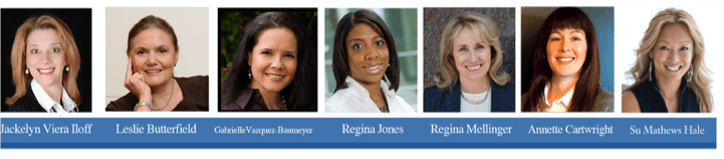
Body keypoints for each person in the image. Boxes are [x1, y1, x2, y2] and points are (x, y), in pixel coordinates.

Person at [106, 15, 208, 111]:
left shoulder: (206, 88)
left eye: (162, 51)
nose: (152, 61)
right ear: (129, 56)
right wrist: (144, 99)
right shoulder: (115, 110)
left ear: (176, 55)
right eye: (141, 52)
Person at [220, 12, 316, 111]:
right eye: (267, 53)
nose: (277, 65)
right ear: (249, 57)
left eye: (288, 55)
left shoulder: (302, 105)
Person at [522, 7, 613, 112]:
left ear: (589, 49)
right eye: (556, 38)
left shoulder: (609, 106)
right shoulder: (521, 103)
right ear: (545, 47)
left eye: (575, 38)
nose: (565, 47)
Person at [622, 8, 711, 113]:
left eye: (683, 48)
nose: (674, 58)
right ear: (651, 50)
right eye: (664, 47)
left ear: (693, 54)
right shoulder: (628, 102)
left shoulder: (701, 100)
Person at [326, 9, 414, 113]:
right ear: (343, 55)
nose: (372, 54)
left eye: (378, 43)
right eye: (358, 46)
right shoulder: (334, 110)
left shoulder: (401, 105)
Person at [424, 12, 514, 112]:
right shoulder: (430, 100)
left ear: (492, 51)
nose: (473, 59)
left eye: (479, 47)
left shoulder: (513, 96)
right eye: (463, 49)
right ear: (451, 55)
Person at [6, 14, 83, 113]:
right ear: (25, 61)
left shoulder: (77, 108)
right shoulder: (16, 116)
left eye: (54, 49)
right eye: (35, 51)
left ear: (67, 57)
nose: (45, 59)